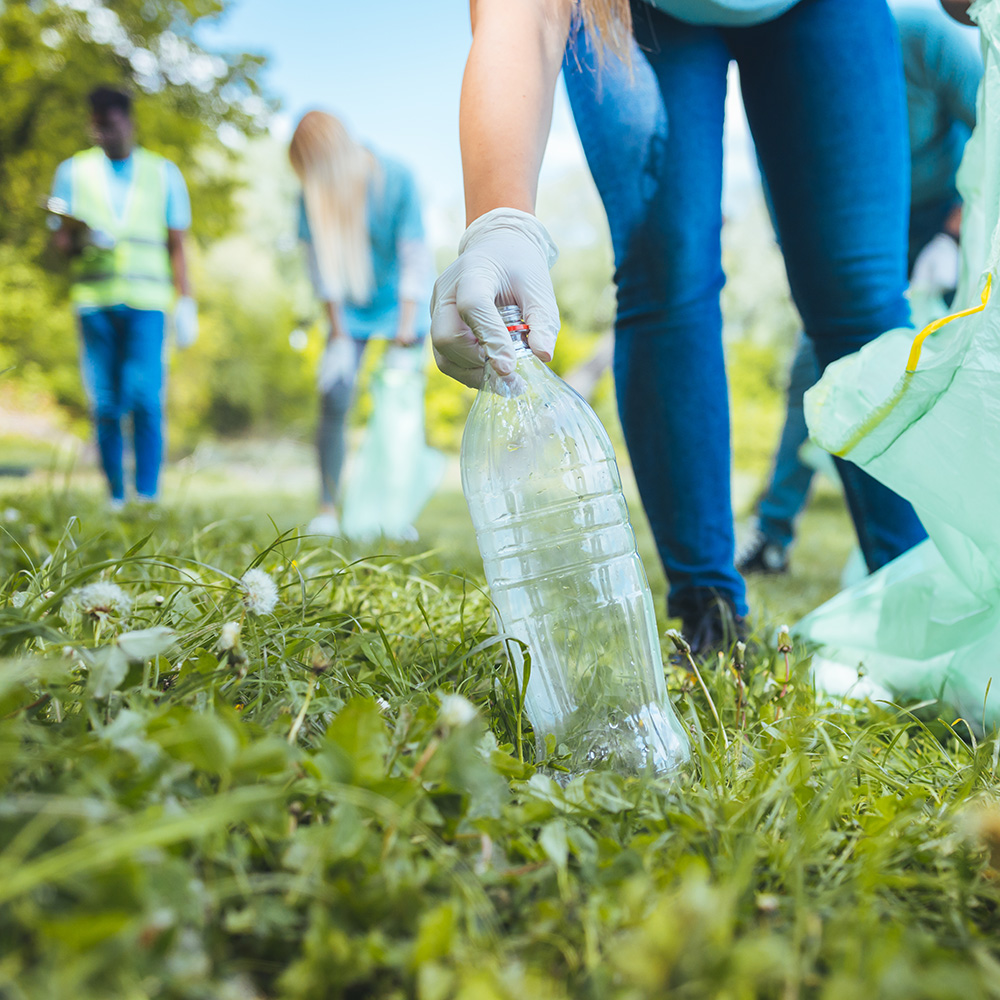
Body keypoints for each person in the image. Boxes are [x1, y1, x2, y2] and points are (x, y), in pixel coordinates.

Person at [431, 0, 929, 656]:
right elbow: (521, 13)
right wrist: (499, 221)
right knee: (666, 267)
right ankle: (708, 611)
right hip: (641, 15)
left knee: (860, 295)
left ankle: (923, 601)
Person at [738, 2, 981, 576]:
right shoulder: (794, 70)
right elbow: (788, 185)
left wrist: (956, 228)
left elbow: (993, 131)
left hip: (951, 219)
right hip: (873, 230)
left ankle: (965, 529)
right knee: (817, 363)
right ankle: (773, 532)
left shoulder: (924, 41)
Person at [49, 86, 196, 510]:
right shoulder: (72, 172)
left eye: (111, 126)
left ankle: (147, 493)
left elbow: (178, 244)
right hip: (95, 301)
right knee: (106, 403)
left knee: (145, 397)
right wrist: (82, 239)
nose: (105, 135)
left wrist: (186, 301)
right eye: (97, 127)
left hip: (149, 303)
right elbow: (60, 243)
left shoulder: (163, 173)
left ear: (128, 122)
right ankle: (115, 494)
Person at [289, 111, 432, 536]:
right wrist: (337, 333)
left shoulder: (397, 178)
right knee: (334, 399)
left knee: (399, 413)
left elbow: (414, 255)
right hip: (348, 313)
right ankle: (327, 509)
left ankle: (396, 512)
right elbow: (321, 271)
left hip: (401, 306)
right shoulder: (310, 197)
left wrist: (406, 326)